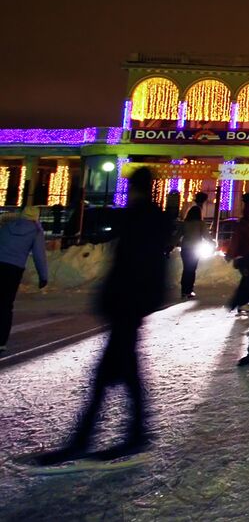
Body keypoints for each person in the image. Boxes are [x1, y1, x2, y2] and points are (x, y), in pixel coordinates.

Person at [35, 168, 167, 465]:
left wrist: (119, 298)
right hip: (130, 303)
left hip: (128, 302)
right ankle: (132, 434)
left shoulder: (142, 217)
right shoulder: (146, 216)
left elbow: (135, 264)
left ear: (137, 188)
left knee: (108, 376)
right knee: (123, 373)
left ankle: (89, 441)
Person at [0, 204, 49, 353]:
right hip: (14, 270)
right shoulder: (35, 231)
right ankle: (1, 341)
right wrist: (43, 277)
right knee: (6, 305)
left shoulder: (7, 227)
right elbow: (39, 256)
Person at [178, 193, 209, 299]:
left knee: (186, 268)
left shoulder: (185, 223)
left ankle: (183, 290)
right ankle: (189, 290)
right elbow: (206, 236)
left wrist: (170, 245)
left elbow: (177, 235)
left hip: (185, 249)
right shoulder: (201, 223)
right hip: (195, 249)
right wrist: (213, 244)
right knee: (192, 269)